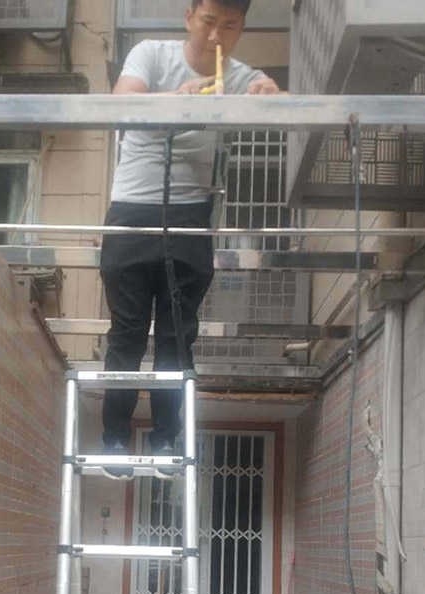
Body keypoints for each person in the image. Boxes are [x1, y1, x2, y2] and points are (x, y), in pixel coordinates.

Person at [100, 0, 282, 480]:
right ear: (189, 18)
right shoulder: (152, 54)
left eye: (230, 26)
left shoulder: (240, 75)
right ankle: (115, 439)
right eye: (209, 22)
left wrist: (269, 93)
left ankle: (165, 440)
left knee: (178, 336)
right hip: (132, 209)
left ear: (241, 28)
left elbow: (274, 102)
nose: (216, 36)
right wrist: (177, 97)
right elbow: (121, 101)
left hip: (191, 214)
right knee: (127, 332)